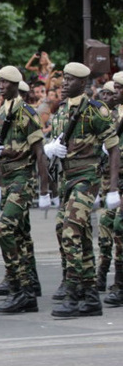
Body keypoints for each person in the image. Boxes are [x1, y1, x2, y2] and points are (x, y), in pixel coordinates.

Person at [44, 62, 121, 317]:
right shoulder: (63, 108)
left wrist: (111, 190)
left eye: (69, 79)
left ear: (83, 83)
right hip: (67, 178)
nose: (64, 83)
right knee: (81, 236)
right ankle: (90, 297)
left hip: (87, 178)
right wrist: (51, 147)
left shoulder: (95, 110)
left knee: (70, 232)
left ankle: (75, 294)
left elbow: (113, 147)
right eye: (63, 79)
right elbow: (55, 140)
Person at [0, 65, 48, 313]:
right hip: (9, 180)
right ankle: (28, 290)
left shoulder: (25, 112)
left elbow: (39, 152)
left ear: (15, 84)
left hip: (23, 179)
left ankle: (19, 288)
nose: (0, 85)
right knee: (20, 236)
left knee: (5, 229)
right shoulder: (3, 111)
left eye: (5, 82)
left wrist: (44, 190)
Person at [104, 71, 123, 305]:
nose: (116, 92)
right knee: (117, 229)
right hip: (118, 178)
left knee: (119, 227)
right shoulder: (115, 114)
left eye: (119, 89)